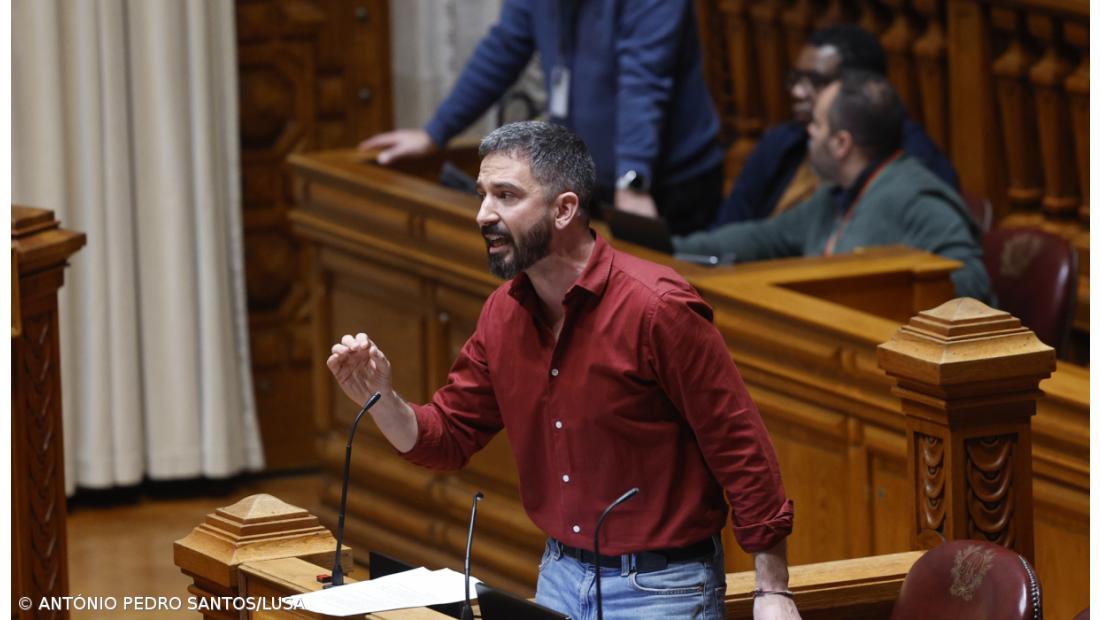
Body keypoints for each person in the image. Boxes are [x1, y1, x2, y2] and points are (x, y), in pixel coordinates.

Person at [329, 121, 800, 619]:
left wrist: (773, 589)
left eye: (506, 196)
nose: (484, 214)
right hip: (558, 575)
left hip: (661, 588)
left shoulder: (657, 309)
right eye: (482, 195)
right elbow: (447, 438)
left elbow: (739, 445)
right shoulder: (503, 313)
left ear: (564, 209)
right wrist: (382, 399)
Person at [360, 0, 724, 235]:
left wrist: (632, 183)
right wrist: (435, 132)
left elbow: (643, 81)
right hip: (591, 180)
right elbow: (503, 49)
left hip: (668, 185)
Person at [675, 72, 991, 303]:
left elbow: (973, 282)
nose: (808, 133)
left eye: (816, 124)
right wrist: (668, 247)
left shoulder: (918, 199)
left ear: (841, 143)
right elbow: (761, 238)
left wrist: (889, 288)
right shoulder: (833, 196)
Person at [712, 23, 959, 227]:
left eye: (815, 81)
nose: (797, 92)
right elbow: (730, 229)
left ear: (859, 88)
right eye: (796, 78)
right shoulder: (782, 141)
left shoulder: (916, 161)